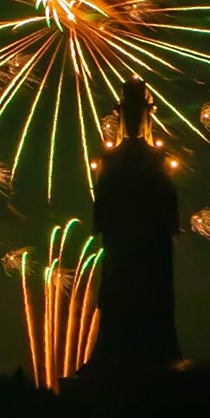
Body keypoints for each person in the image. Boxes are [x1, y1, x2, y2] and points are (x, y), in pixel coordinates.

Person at [88, 77, 182, 370]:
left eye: (136, 112)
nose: (132, 118)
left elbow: (168, 206)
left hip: (149, 248)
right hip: (123, 247)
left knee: (151, 302)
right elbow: (102, 207)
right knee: (117, 301)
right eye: (128, 112)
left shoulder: (156, 158)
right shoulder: (113, 159)